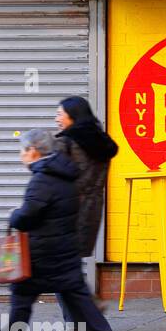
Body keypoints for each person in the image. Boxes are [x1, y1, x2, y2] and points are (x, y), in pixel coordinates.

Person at [0, 130, 118, 331]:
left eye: (22, 151)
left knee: (21, 301)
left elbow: (27, 216)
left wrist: (14, 215)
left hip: (41, 256)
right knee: (77, 297)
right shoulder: (66, 176)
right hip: (65, 251)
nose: (21, 156)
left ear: (33, 151)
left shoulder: (42, 180)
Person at [53, 96, 119, 259]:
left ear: (73, 115)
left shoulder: (65, 142)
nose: (57, 119)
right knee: (72, 262)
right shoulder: (102, 142)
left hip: (66, 211)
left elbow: (53, 182)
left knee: (59, 263)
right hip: (91, 210)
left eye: (60, 114)